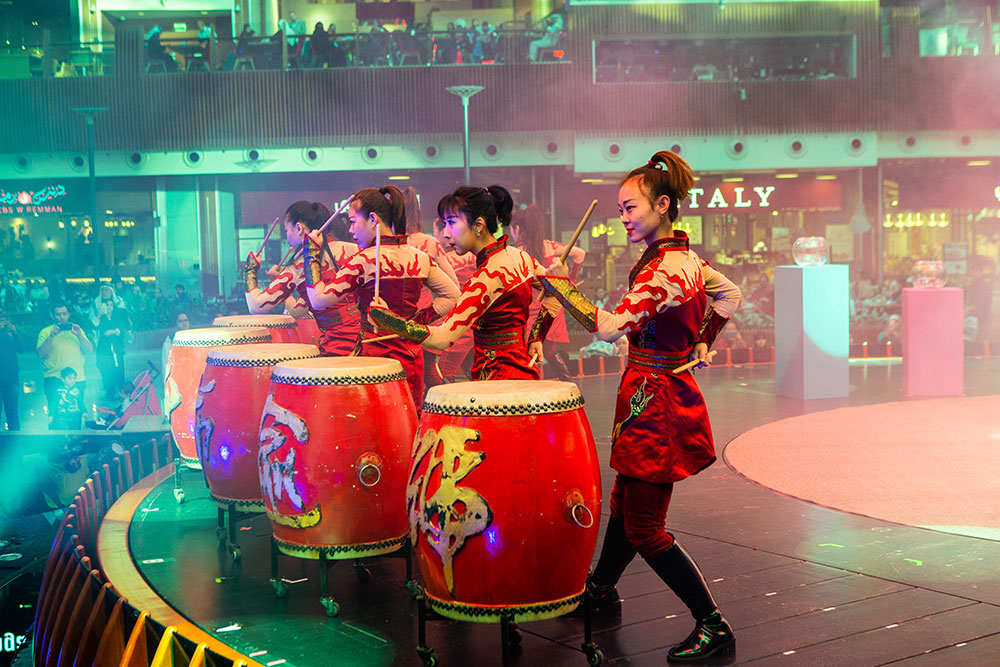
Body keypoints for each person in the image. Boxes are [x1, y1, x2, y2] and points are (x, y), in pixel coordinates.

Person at [539, 150, 741, 662]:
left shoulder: (667, 269)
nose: (623, 217)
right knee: (627, 506)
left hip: (659, 406)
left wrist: (561, 286)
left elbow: (607, 327)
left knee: (646, 528)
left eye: (631, 207)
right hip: (648, 397)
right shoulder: (682, 260)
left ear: (664, 204)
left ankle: (713, 625)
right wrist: (702, 340)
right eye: (621, 209)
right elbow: (730, 294)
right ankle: (600, 591)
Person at [368, 185, 561, 382]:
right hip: (523, 373)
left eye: (451, 222)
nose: (445, 232)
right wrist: (537, 336)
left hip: (495, 385)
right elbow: (557, 291)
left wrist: (390, 321)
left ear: (478, 224)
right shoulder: (521, 258)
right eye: (444, 224)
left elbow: (443, 338)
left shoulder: (486, 278)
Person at [302, 186, 460, 405]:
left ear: (373, 219)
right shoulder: (420, 257)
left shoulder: (364, 261)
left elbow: (318, 301)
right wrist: (414, 323)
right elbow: (453, 296)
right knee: (409, 423)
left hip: (374, 360)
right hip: (411, 356)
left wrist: (310, 255)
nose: (350, 230)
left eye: (353, 221)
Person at [244, 201, 362, 356]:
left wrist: (250, 271)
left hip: (338, 348)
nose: (286, 235)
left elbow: (255, 305)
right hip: (365, 341)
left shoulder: (299, 267)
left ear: (298, 228)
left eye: (286, 229)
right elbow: (299, 309)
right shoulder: (353, 249)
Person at [510, 202, 585, 379]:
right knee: (548, 350)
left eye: (512, 230)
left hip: (529, 310)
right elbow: (580, 253)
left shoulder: (516, 254)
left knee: (527, 351)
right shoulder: (550, 246)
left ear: (517, 228)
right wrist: (569, 282)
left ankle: (531, 387)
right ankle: (567, 381)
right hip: (551, 307)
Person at [402, 187, 461, 388]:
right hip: (425, 321)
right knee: (428, 373)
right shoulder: (430, 243)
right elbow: (454, 287)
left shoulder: (384, 247)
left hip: (394, 323)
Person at [432, 216, 477, 381]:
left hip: (456, 331)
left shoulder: (445, 261)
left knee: (443, 376)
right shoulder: (475, 256)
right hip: (474, 327)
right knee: (476, 377)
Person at [37, 303, 93, 420]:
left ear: (68, 315)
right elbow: (41, 354)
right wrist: (51, 336)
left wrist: (79, 336)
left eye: (64, 314)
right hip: (54, 378)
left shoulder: (77, 330)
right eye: (58, 314)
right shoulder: (45, 332)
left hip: (76, 379)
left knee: (76, 413)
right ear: (52, 316)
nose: (61, 317)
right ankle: (55, 438)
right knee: (55, 414)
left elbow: (89, 351)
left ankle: (75, 437)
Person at [90, 284, 131, 400]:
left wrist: (115, 332)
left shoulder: (119, 307)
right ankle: (109, 389)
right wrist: (99, 315)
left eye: (106, 289)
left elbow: (124, 325)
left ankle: (119, 390)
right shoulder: (97, 305)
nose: (104, 292)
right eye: (102, 289)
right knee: (105, 367)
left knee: (118, 368)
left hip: (117, 345)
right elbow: (94, 325)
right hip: (103, 346)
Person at [0, 306, 26, 430]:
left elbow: (22, 349)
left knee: (12, 412)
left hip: (11, 377)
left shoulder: (9, 331)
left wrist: (15, 334)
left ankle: (15, 442)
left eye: (2, 314)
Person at [161, 311, 190, 376]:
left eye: (186, 320)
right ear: (176, 324)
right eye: (180, 321)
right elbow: (166, 364)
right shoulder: (170, 341)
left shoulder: (194, 338)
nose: (184, 323)